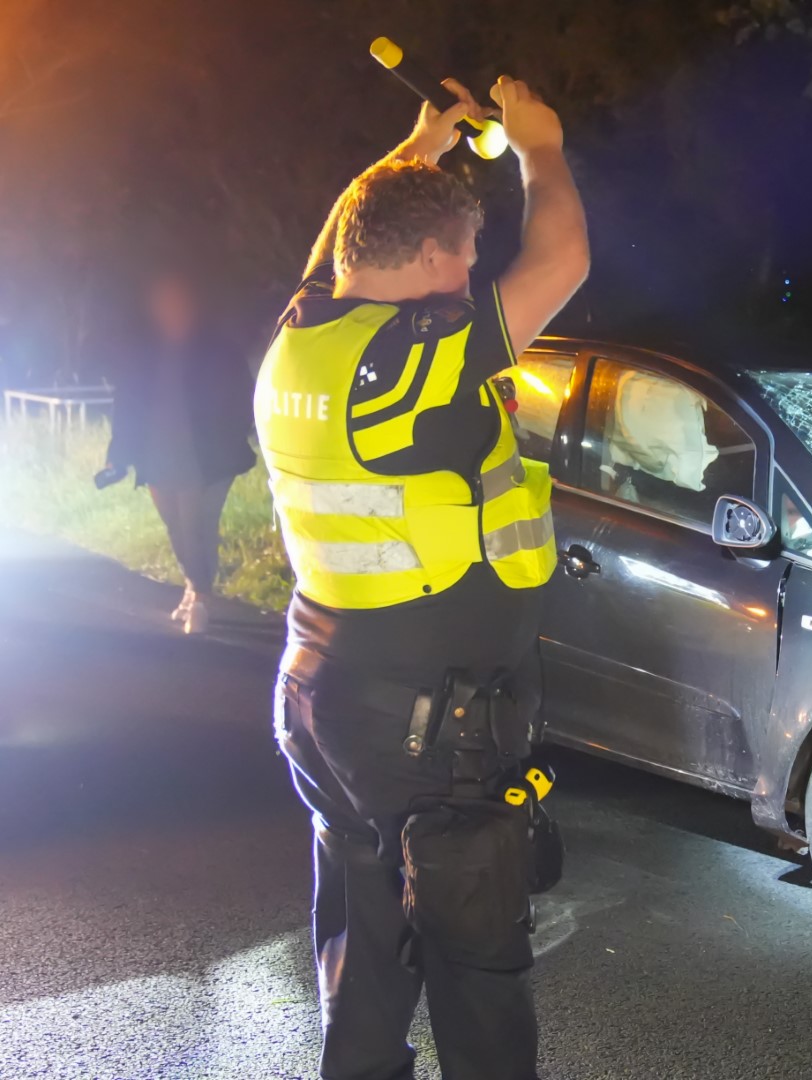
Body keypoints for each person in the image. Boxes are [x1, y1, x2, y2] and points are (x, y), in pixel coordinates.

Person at [255, 75, 587, 1080]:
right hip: (432, 729)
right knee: (478, 976)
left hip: (324, 696)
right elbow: (563, 257)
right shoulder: (420, 358)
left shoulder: (304, 332)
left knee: (360, 954)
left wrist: (417, 146)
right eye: (468, 252)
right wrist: (542, 148)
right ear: (440, 254)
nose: (474, 271)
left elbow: (339, 241)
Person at [105, 268, 257, 634]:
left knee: (195, 527)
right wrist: (118, 453)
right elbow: (126, 404)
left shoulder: (217, 349)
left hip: (205, 456)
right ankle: (193, 587)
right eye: (164, 304)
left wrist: (232, 435)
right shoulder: (143, 351)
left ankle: (202, 600)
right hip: (157, 453)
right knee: (175, 526)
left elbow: (241, 398)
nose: (171, 310)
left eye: (179, 303)